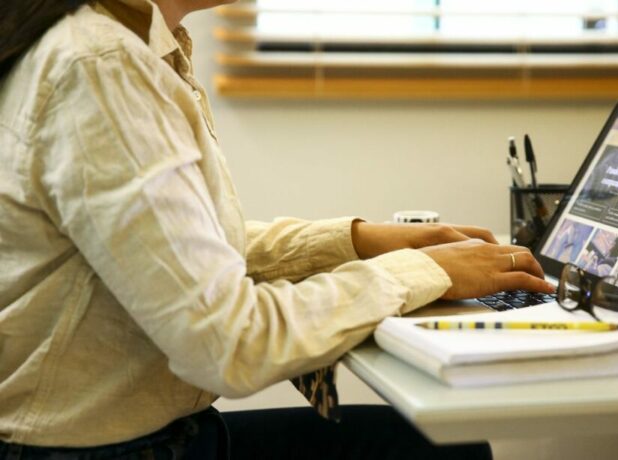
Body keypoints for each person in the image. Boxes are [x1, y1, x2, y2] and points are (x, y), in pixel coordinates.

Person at [0, 0, 555, 458]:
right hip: (103, 452)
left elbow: (183, 250)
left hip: (132, 438)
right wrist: (418, 272)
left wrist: (358, 241)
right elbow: (228, 341)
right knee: (440, 450)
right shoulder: (99, 67)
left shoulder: (125, 44)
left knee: (431, 443)